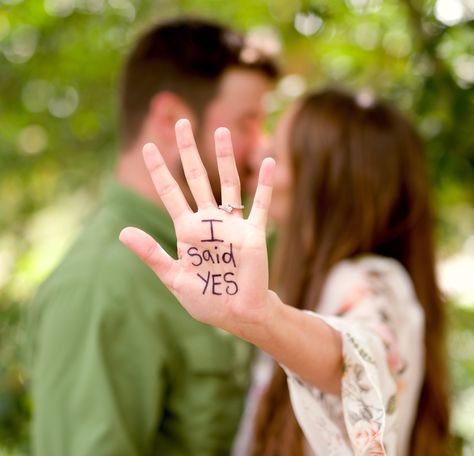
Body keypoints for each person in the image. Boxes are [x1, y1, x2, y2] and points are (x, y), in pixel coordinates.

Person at [120, 88, 452, 455]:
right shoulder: (307, 275)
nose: (257, 153)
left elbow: (361, 357)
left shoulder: (371, 280)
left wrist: (264, 319)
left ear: (321, 180)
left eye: (275, 151)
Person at [28, 17, 278, 455]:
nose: (261, 148)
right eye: (248, 123)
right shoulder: (102, 285)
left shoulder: (217, 252)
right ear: (171, 120)